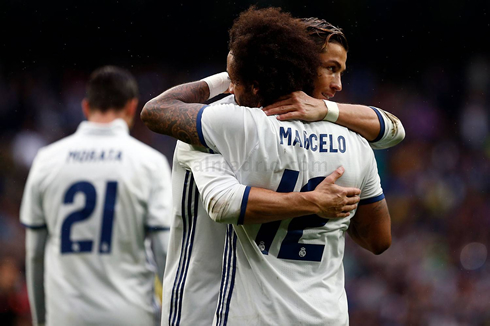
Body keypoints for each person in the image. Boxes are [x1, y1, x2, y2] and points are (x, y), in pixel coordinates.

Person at [143, 8, 399, 326]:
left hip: (239, 312)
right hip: (327, 315)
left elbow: (158, 112)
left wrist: (231, 76)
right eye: (331, 69)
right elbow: (379, 238)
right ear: (303, 65)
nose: (338, 85)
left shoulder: (232, 126)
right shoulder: (357, 143)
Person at [20, 66, 172, 326]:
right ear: (132, 107)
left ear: (85, 106)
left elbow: (35, 254)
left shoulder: (47, 160)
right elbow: (163, 250)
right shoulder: (150, 162)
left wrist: (41, 320)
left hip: (65, 316)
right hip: (130, 314)